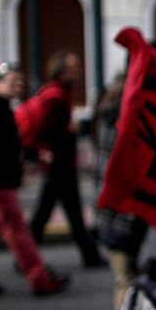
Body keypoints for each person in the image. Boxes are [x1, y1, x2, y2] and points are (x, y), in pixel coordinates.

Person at [0, 62, 68, 298]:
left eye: (20, 81)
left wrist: (33, 154)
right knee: (17, 230)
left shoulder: (0, 107)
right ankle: (40, 279)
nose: (17, 86)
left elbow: (8, 146)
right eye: (12, 81)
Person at [88, 72, 146, 310]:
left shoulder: (108, 105)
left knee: (124, 301)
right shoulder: (134, 112)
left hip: (109, 219)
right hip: (130, 224)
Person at [27, 50, 105, 268]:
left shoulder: (58, 92)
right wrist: (71, 130)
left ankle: (27, 255)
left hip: (58, 164)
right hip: (60, 164)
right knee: (72, 213)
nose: (78, 71)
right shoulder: (57, 95)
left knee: (46, 213)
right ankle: (90, 256)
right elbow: (49, 130)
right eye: (74, 67)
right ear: (62, 70)